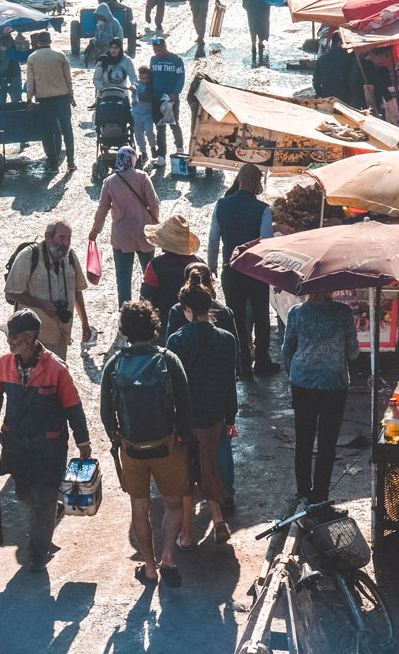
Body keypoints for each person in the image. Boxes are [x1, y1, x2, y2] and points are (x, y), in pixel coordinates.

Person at [0, 308, 91, 572]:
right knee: (23, 492)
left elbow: (73, 406)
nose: (9, 341)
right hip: (17, 444)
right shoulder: (1, 364)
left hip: (48, 447)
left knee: (42, 498)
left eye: (14, 337)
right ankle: (49, 510)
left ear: (31, 337)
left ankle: (36, 555)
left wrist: (83, 441)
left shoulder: (56, 368)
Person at [100, 299, 192, 588]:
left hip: (131, 449)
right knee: (173, 504)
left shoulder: (115, 364)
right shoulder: (168, 360)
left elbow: (105, 412)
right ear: (154, 328)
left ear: (125, 330)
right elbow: (186, 406)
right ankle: (168, 558)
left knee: (139, 508)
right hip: (167, 447)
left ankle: (149, 568)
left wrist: (118, 438)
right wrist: (182, 439)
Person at [167, 271, 239, 547]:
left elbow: (173, 386)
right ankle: (218, 517)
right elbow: (229, 382)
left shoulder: (176, 340)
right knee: (210, 464)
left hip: (187, 417)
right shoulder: (225, 339)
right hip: (215, 414)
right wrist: (230, 417)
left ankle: (186, 535)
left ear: (186, 308)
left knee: (187, 472)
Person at [283, 292, 359, 503]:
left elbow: (287, 349)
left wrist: (295, 373)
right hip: (334, 384)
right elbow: (353, 353)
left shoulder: (296, 313)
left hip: (302, 383)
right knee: (327, 443)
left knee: (303, 439)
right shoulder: (344, 313)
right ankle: (320, 496)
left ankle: (303, 492)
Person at [208, 163, 280, 380]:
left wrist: (211, 265)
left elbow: (214, 240)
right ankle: (262, 360)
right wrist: (272, 273)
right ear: (258, 183)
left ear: (239, 179)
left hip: (231, 271)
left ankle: (242, 363)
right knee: (261, 316)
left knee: (235, 316)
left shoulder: (221, 205)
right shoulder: (262, 210)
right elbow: (266, 244)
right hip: (256, 272)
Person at [4, 220, 91, 359]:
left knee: (56, 377)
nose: (66, 243)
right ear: (48, 237)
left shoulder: (70, 258)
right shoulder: (28, 257)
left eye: (69, 238)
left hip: (60, 336)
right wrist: (40, 304)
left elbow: (77, 291)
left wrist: (85, 322)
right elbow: (11, 292)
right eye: (62, 238)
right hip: (32, 339)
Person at [90, 146, 159, 307]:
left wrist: (95, 231)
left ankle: (125, 312)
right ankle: (151, 307)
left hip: (122, 236)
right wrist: (156, 224)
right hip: (144, 232)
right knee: (150, 274)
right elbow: (154, 203)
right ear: (133, 159)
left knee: (123, 277)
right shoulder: (142, 177)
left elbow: (102, 210)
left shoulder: (109, 181)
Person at [141, 216, 202, 341]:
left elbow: (146, 296)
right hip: (196, 325)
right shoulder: (199, 264)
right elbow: (211, 295)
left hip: (163, 325)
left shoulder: (155, 265)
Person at [26, 30, 76, 174]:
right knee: (67, 130)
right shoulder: (60, 55)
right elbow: (68, 79)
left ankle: (53, 164)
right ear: (50, 41)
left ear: (38, 42)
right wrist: (71, 96)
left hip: (44, 100)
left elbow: (31, 82)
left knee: (48, 132)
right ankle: (71, 162)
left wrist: (29, 99)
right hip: (63, 98)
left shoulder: (32, 58)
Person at [150, 36, 185, 165]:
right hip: (157, 98)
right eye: (155, 50)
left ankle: (180, 148)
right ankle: (161, 155)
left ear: (165, 47)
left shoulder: (176, 60)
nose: (157, 52)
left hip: (171, 99)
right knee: (159, 126)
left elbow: (181, 78)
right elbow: (151, 77)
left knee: (174, 124)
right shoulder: (153, 60)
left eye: (159, 49)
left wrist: (175, 93)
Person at [242, 0, 270, 66]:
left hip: (251, 6)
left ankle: (253, 43)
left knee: (252, 24)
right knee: (261, 24)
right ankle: (260, 42)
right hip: (262, 6)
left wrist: (245, 4)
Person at [313, 32, 353, 103]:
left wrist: (320, 93)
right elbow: (350, 78)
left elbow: (316, 81)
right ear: (341, 42)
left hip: (327, 96)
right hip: (344, 97)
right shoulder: (348, 57)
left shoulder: (322, 58)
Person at [351, 48, 391, 116]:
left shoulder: (359, 63)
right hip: (364, 112)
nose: (386, 60)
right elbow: (369, 97)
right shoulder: (368, 67)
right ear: (379, 54)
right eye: (386, 56)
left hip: (356, 109)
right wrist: (375, 116)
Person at [132, 64, 158, 164]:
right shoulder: (137, 86)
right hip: (137, 114)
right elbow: (135, 95)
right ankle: (143, 151)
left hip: (147, 115)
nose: (145, 80)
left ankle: (152, 146)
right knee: (138, 134)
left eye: (147, 78)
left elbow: (148, 95)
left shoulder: (151, 87)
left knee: (149, 132)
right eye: (143, 78)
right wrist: (134, 99)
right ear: (139, 77)